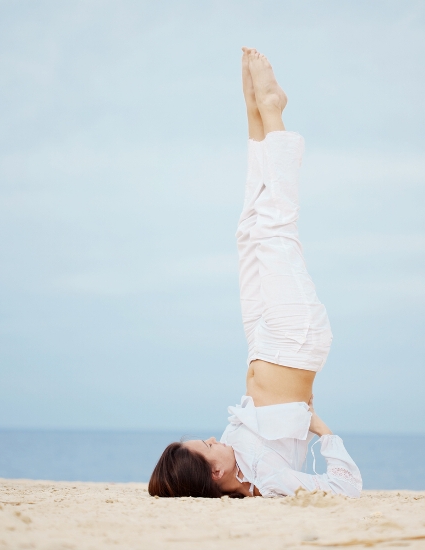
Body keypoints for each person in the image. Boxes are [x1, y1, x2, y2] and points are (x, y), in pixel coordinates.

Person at [148, 48, 362, 499]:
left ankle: (255, 118)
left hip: (263, 340)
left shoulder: (238, 460)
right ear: (215, 476)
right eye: (207, 448)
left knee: (248, 232)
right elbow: (346, 489)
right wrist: (327, 435)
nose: (211, 439)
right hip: (293, 340)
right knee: (277, 228)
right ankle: (273, 114)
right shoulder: (266, 476)